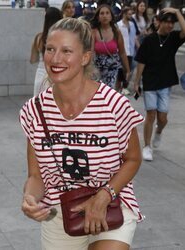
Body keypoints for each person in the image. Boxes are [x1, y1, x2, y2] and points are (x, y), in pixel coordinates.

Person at [20, 18, 144, 250]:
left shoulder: (114, 105)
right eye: (50, 49)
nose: (55, 59)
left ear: (85, 57)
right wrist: (30, 198)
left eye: (67, 51)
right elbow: (36, 176)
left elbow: (133, 159)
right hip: (61, 212)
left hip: (111, 203)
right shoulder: (34, 111)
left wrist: (104, 195)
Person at [134, 8, 185, 161]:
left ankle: (159, 132)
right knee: (150, 115)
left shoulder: (173, 38)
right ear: (160, 22)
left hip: (165, 82)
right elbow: (141, 62)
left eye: (172, 23)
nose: (170, 25)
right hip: (150, 81)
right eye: (167, 22)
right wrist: (137, 81)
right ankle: (147, 146)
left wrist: (177, 11)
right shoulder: (150, 40)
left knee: (163, 118)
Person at [91, 4, 130, 91]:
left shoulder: (116, 32)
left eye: (107, 13)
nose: (105, 16)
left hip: (113, 69)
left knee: (111, 94)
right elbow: (90, 51)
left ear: (111, 16)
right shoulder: (93, 32)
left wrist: (127, 70)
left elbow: (122, 52)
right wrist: (90, 67)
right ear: (98, 17)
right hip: (98, 70)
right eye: (102, 13)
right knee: (98, 95)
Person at [30, 7, 62, 96]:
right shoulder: (61, 38)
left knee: (39, 104)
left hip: (40, 73)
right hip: (56, 72)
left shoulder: (39, 37)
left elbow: (33, 59)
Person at [117, 6, 139, 95]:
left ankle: (124, 86)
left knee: (128, 70)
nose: (131, 16)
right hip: (121, 50)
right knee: (121, 70)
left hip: (130, 51)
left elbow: (134, 37)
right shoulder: (118, 25)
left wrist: (138, 47)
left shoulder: (132, 24)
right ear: (124, 14)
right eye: (129, 14)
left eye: (131, 14)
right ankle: (119, 87)